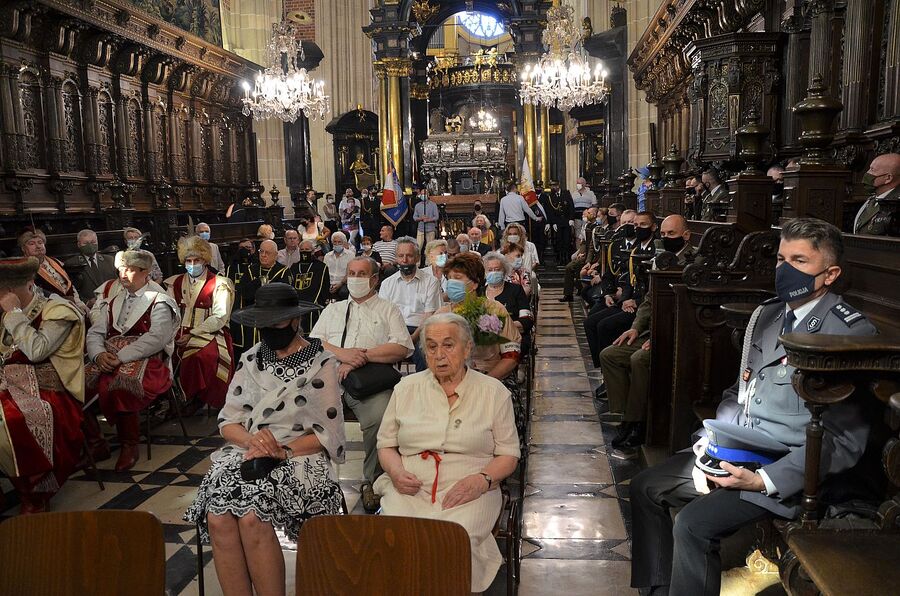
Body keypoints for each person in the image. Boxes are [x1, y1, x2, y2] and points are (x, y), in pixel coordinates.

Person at [630, 218, 878, 596]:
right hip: (737, 453)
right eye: (781, 258)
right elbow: (738, 392)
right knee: (646, 485)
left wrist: (764, 480)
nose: (785, 269)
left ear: (830, 274)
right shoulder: (767, 315)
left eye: (800, 261)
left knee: (693, 524)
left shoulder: (847, 332)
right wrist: (709, 442)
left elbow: (842, 442)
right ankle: (660, 588)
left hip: (789, 474)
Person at [184, 283, 344, 596]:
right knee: (217, 514)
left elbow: (328, 434)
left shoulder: (322, 362)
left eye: (278, 322)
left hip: (299, 453)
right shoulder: (251, 358)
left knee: (252, 516)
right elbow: (228, 422)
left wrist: (281, 451)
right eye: (265, 324)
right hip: (249, 448)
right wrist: (254, 443)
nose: (271, 329)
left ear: (296, 320)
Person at [375, 312, 520, 593]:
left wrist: (482, 480)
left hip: (469, 489)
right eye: (431, 346)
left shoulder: (493, 392)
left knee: (451, 541)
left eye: (448, 345)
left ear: (467, 349)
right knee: (394, 539)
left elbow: (508, 455)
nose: (439, 354)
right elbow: (386, 445)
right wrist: (395, 472)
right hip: (411, 488)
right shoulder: (406, 388)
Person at [309, 257, 414, 512]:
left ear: (374, 279)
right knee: (300, 413)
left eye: (362, 274)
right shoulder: (332, 310)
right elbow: (314, 343)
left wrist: (361, 357)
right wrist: (343, 354)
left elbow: (401, 347)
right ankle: (316, 479)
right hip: (329, 380)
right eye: (351, 273)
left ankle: (372, 480)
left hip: (368, 383)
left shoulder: (388, 309)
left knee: (381, 417)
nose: (355, 278)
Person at [599, 215, 696, 456]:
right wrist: (635, 327)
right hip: (650, 330)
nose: (665, 239)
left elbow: (691, 309)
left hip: (679, 334)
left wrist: (662, 335)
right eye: (663, 235)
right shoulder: (661, 259)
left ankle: (639, 424)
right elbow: (649, 301)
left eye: (671, 234)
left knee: (639, 360)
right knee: (610, 354)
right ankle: (625, 417)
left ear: (686, 235)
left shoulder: (696, 262)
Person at [0, 257, 86, 513]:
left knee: (11, 421)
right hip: (12, 381)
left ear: (17, 291)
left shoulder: (57, 310)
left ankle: (34, 492)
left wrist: (14, 315)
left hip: (51, 388)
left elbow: (37, 350)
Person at [85, 249, 180, 471]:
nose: (123, 275)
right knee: (75, 385)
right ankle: (96, 443)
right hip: (108, 356)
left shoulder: (160, 301)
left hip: (150, 362)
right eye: (120, 270)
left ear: (145, 272)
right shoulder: (112, 301)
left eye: (129, 270)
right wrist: (98, 354)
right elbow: (96, 332)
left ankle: (130, 445)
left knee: (121, 386)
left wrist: (120, 357)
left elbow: (156, 339)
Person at [164, 236, 235, 413]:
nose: (192, 264)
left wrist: (194, 333)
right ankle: (173, 397)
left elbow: (220, 316)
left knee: (200, 357)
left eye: (197, 260)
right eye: (188, 260)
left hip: (210, 331)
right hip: (176, 332)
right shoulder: (174, 283)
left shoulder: (220, 283)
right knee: (161, 355)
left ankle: (196, 397)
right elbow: (167, 312)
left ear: (205, 260)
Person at [585, 211, 657, 367]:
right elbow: (626, 280)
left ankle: (609, 367)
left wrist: (633, 301)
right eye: (635, 225)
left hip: (641, 304)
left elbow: (649, 287)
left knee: (604, 325)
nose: (635, 228)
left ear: (653, 227)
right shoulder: (632, 248)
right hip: (626, 300)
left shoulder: (655, 250)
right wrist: (613, 295)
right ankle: (602, 368)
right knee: (591, 321)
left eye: (641, 224)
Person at [379, 237, 442, 372]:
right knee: (378, 351)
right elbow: (382, 315)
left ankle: (425, 388)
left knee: (426, 354)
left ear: (417, 258)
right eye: (401, 256)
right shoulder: (387, 283)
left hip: (420, 331)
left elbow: (429, 316)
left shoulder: (431, 282)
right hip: (394, 331)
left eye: (409, 256)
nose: (405, 260)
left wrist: (411, 339)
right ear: (396, 258)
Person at [230, 240, 292, 358]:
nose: (263, 255)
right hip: (251, 321)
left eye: (267, 252)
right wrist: (260, 283)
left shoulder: (283, 271)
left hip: (273, 320)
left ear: (276, 254)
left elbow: (282, 296)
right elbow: (245, 293)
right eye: (261, 251)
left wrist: (258, 289)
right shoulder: (250, 270)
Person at [18, 229, 87, 313]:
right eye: (32, 244)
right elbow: (33, 296)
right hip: (49, 311)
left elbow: (70, 285)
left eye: (40, 242)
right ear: (23, 248)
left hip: (73, 306)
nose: (38, 246)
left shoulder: (56, 262)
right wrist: (63, 301)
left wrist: (80, 304)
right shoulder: (23, 269)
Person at [484, 251, 533, 352]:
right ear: (485, 273)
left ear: (504, 271)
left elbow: (527, 320)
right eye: (490, 270)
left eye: (497, 269)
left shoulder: (516, 290)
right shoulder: (479, 292)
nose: (493, 272)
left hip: (513, 338)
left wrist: (502, 327)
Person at [64, 229, 118, 308]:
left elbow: (117, 283)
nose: (90, 245)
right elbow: (72, 291)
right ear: (79, 244)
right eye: (85, 243)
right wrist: (87, 302)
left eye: (93, 242)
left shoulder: (110, 260)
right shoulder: (72, 264)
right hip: (89, 308)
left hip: (112, 303)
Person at [853, 152, 900, 235]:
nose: (867, 173)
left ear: (888, 178)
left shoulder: (896, 204)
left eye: (872, 170)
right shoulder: (872, 200)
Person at [289, 239, 330, 332]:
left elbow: (324, 288)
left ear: (312, 251)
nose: (304, 251)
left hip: (314, 305)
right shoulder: (294, 267)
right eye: (302, 249)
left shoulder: (321, 267)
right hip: (297, 304)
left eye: (307, 249)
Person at [540, 180, 575, 262]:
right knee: (558, 241)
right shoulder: (550, 196)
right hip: (557, 221)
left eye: (554, 185)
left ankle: (567, 257)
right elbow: (549, 211)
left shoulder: (566, 193)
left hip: (566, 221)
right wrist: (552, 222)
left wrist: (571, 218)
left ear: (558, 185)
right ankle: (560, 258)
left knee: (567, 240)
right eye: (552, 186)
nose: (553, 187)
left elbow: (571, 207)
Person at [324, 231, 354, 300]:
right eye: (335, 242)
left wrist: (340, 284)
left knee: (343, 292)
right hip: (329, 282)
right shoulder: (327, 256)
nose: (337, 244)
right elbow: (324, 273)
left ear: (343, 243)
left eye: (339, 242)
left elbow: (349, 273)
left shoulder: (351, 255)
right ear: (332, 242)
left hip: (343, 283)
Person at [413, 186, 439, 257]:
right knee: (418, 248)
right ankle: (417, 264)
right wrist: (421, 218)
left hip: (430, 229)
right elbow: (414, 217)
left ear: (427, 195)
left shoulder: (433, 205)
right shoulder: (417, 206)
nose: (423, 195)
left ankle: (429, 264)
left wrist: (428, 219)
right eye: (421, 194)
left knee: (430, 248)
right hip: (420, 229)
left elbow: (436, 217)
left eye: (424, 194)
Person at [572, 176, 597, 250]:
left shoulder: (590, 193)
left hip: (587, 217)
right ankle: (578, 251)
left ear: (584, 184)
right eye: (577, 183)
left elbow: (594, 205)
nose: (578, 185)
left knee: (586, 234)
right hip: (577, 217)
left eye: (580, 183)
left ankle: (586, 251)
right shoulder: (573, 194)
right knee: (577, 235)